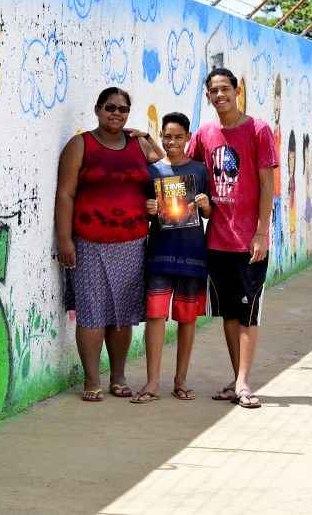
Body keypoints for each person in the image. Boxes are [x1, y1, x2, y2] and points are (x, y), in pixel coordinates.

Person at [55, 86, 165, 402]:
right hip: (89, 243)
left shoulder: (137, 146)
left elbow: (163, 167)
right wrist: (65, 239)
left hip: (132, 243)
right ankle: (92, 380)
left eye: (122, 109)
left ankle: (118, 377)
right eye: (110, 107)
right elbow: (65, 194)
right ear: (97, 109)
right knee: (91, 312)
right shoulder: (81, 145)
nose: (116, 113)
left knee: (122, 313)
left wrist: (145, 136)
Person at [186, 68, 276, 409]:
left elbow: (268, 185)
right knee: (228, 315)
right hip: (216, 242)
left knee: (248, 313)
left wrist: (261, 232)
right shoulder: (205, 134)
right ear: (208, 96)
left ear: (237, 90)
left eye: (225, 88)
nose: (220, 95)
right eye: (214, 90)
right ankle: (236, 380)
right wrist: (146, 145)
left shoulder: (258, 130)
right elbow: (183, 164)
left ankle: (242, 382)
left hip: (248, 242)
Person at [131, 112, 212, 404]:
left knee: (187, 319)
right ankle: (152, 383)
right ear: (161, 136)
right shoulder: (153, 172)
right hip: (160, 254)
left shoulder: (201, 171)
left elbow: (211, 212)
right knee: (155, 316)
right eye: (168, 136)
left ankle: (181, 381)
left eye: (179, 137)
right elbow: (141, 209)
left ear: (188, 138)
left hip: (192, 255)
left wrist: (205, 206)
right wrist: (149, 208)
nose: (173, 142)